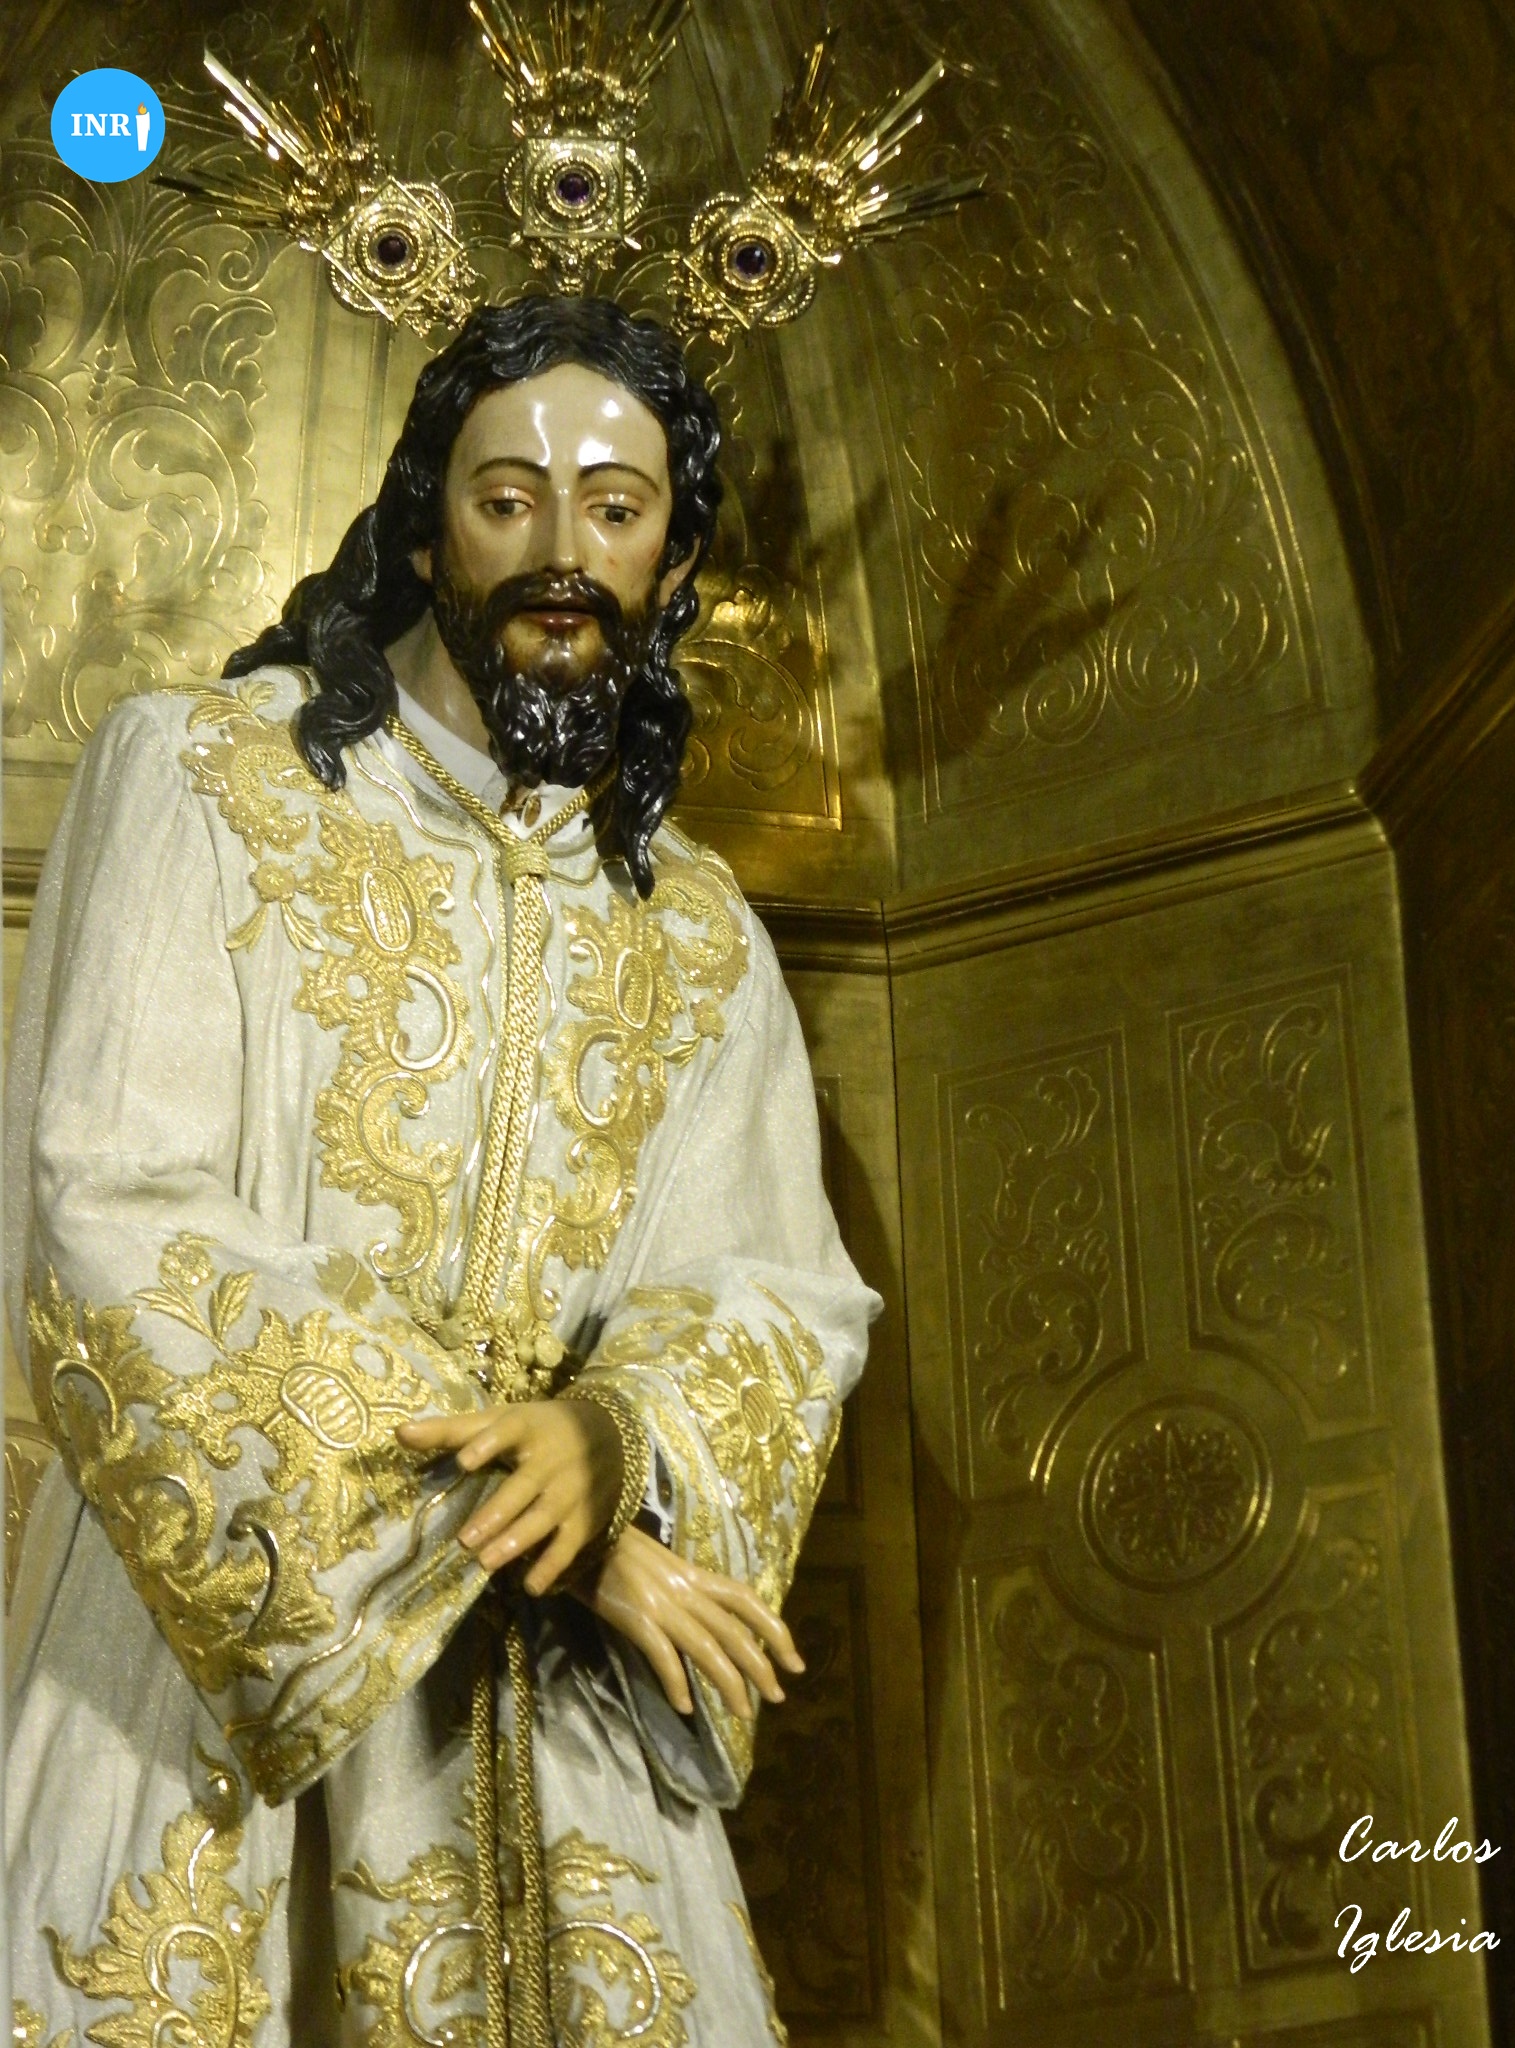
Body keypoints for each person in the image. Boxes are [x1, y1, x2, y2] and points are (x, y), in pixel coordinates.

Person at [4, 293, 879, 2048]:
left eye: (615, 509)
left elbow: (780, 1292)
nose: (564, 553)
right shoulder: (202, 778)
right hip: (217, 1685)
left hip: (565, 1740)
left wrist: (613, 1443)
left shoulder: (699, 933)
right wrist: (536, 1534)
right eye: (508, 498)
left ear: (669, 564)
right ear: (424, 525)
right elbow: (112, 1208)